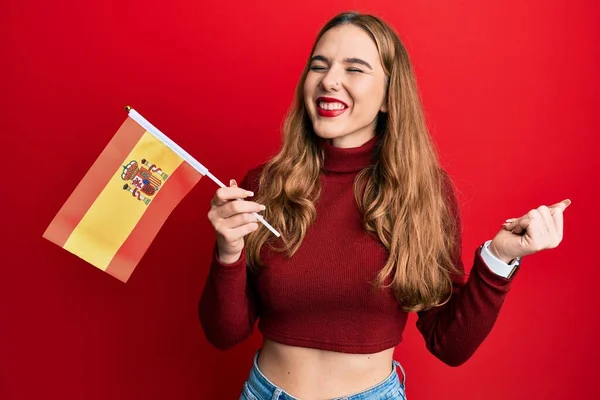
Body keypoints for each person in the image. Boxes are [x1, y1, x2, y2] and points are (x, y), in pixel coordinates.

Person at [199, 11, 570, 400]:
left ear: (389, 97)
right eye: (319, 66)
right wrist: (228, 252)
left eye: (354, 69)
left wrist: (499, 258)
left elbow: (450, 344)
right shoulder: (265, 185)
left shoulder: (423, 193)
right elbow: (224, 334)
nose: (329, 80)